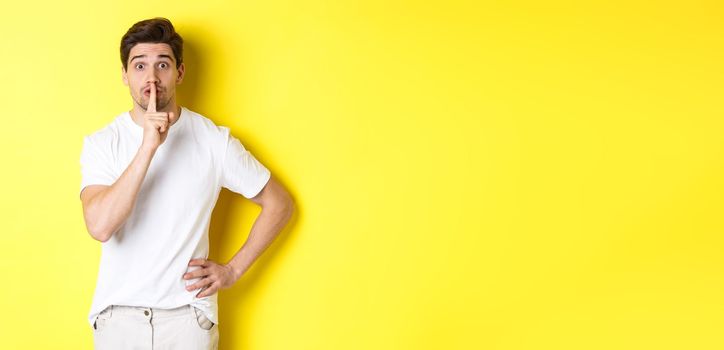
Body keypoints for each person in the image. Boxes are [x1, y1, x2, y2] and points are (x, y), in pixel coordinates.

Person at [79, 17, 295, 349]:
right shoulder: (102, 143)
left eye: (162, 64)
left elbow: (280, 203)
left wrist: (233, 270)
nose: (151, 78)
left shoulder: (213, 140)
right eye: (139, 66)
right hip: (118, 320)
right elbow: (100, 226)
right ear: (125, 75)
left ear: (179, 72)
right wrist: (148, 146)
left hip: (186, 320)